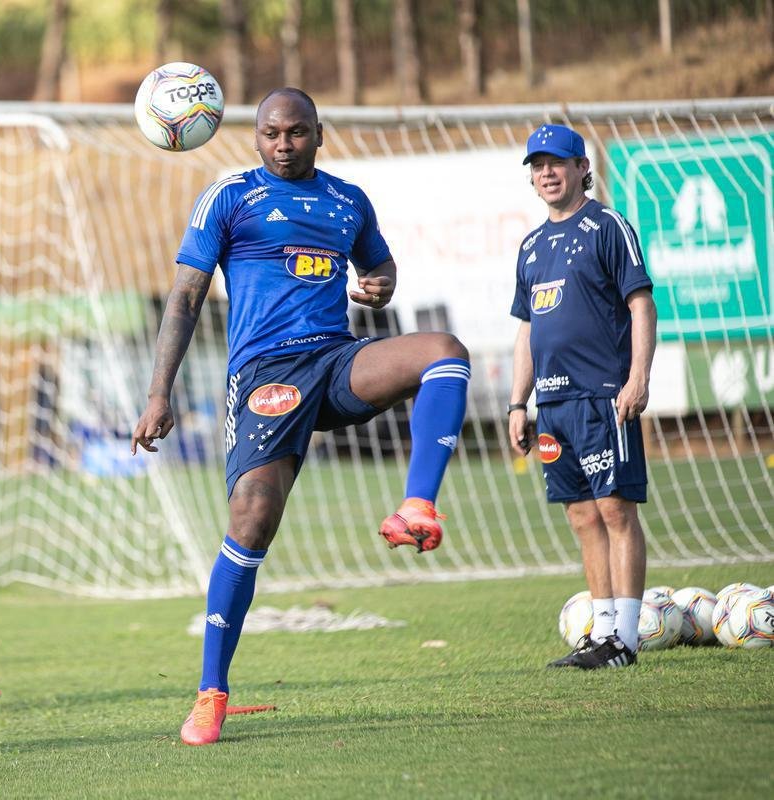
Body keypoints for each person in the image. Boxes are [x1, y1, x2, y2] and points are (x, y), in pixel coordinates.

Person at [131, 88, 471, 745]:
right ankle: (211, 693)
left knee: (445, 355)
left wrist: (382, 284)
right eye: (270, 133)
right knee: (252, 521)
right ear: (255, 137)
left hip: (337, 363)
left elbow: (381, 268)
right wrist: (158, 393)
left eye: (295, 133)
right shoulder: (230, 197)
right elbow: (184, 298)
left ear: (320, 134)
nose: (282, 144)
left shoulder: (347, 201)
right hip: (265, 376)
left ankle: (417, 508)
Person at [507, 124, 657, 669]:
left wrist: (638, 376)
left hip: (602, 398)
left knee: (616, 509)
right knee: (580, 516)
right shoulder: (530, 247)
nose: (546, 173)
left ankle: (626, 639)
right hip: (552, 407)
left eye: (557, 163)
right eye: (537, 165)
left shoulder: (607, 227)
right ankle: (600, 632)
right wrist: (517, 403)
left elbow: (641, 304)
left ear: (581, 169)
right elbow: (526, 330)